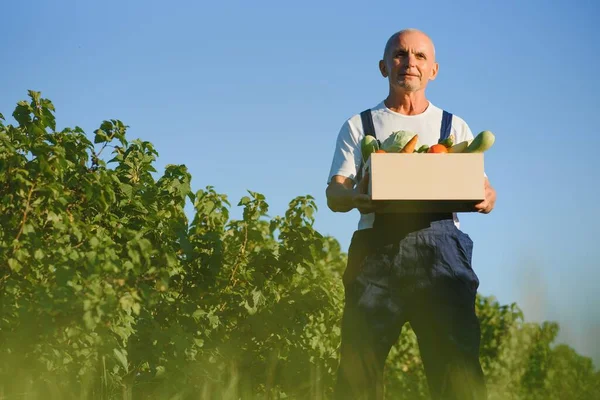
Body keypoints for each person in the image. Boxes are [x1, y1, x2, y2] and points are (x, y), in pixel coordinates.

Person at [325, 28, 496, 400]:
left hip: (442, 250)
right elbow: (334, 192)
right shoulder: (360, 126)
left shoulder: (454, 128)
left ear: (434, 70)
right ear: (384, 66)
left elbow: (482, 190)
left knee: (456, 366)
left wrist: (487, 196)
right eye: (400, 55)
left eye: (420, 57)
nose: (410, 63)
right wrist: (355, 196)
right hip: (375, 251)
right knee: (359, 367)